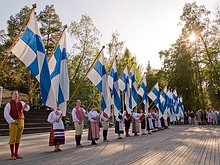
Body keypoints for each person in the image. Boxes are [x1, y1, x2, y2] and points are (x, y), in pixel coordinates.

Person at [4, 90, 30, 160]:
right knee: (13, 138)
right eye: (15, 94)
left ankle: (16, 153)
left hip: (21, 121)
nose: (16, 96)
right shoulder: (8, 104)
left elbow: (27, 109)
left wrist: (26, 106)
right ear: (11, 95)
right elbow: (6, 114)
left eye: (17, 94)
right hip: (13, 122)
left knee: (18, 138)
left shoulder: (21, 103)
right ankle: (12, 154)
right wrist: (12, 120)